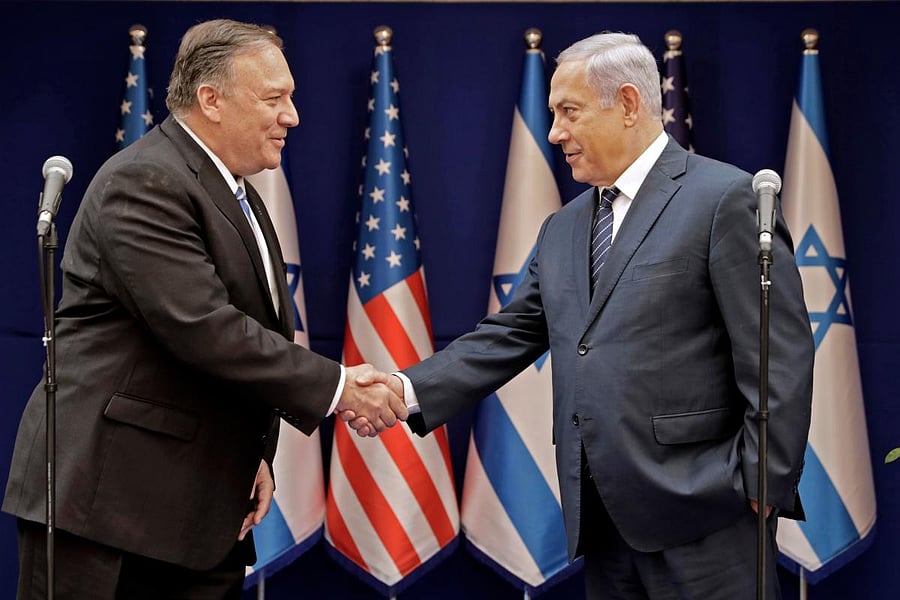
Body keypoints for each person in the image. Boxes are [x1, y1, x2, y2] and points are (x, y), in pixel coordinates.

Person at [354, 32, 814, 599]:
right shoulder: (564, 227)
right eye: (552, 114)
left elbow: (777, 355)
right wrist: (404, 389)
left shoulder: (724, 198)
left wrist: (761, 481)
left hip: (709, 519)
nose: (554, 133)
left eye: (567, 112)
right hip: (604, 522)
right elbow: (512, 333)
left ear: (626, 103)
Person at [3, 19, 406, 598]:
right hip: (109, 507)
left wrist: (252, 455)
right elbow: (202, 327)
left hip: (196, 507)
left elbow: (238, 334)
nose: (291, 116)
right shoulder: (145, 181)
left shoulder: (233, 191)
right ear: (210, 100)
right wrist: (342, 387)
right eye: (274, 99)